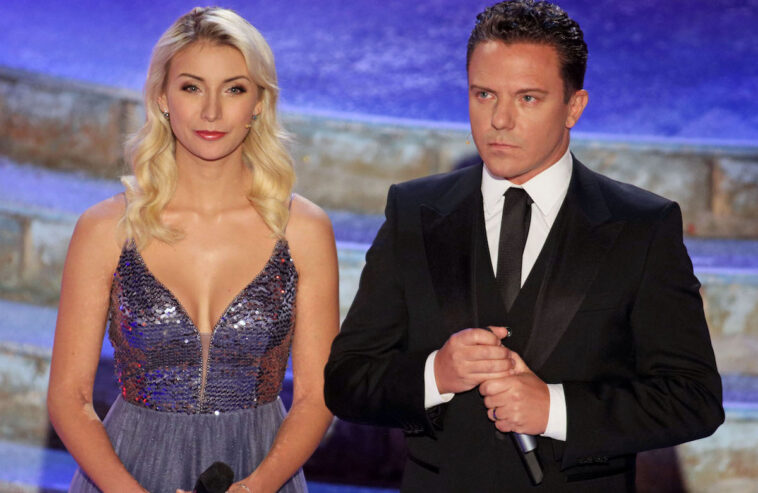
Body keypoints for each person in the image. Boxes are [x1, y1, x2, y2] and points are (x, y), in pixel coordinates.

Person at [324, 1, 724, 491]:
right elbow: (346, 381)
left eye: (528, 98)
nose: (500, 119)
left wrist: (554, 409)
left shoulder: (642, 225)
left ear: (574, 106)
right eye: (484, 94)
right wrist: (435, 375)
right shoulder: (413, 211)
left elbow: (693, 399)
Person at [47, 7, 338, 493]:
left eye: (234, 89)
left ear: (260, 102)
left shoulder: (303, 230)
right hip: (127, 473)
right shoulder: (106, 229)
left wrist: (254, 487)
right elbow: (68, 398)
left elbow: (317, 396)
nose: (211, 112)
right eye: (191, 87)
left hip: (261, 471)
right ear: (162, 97)